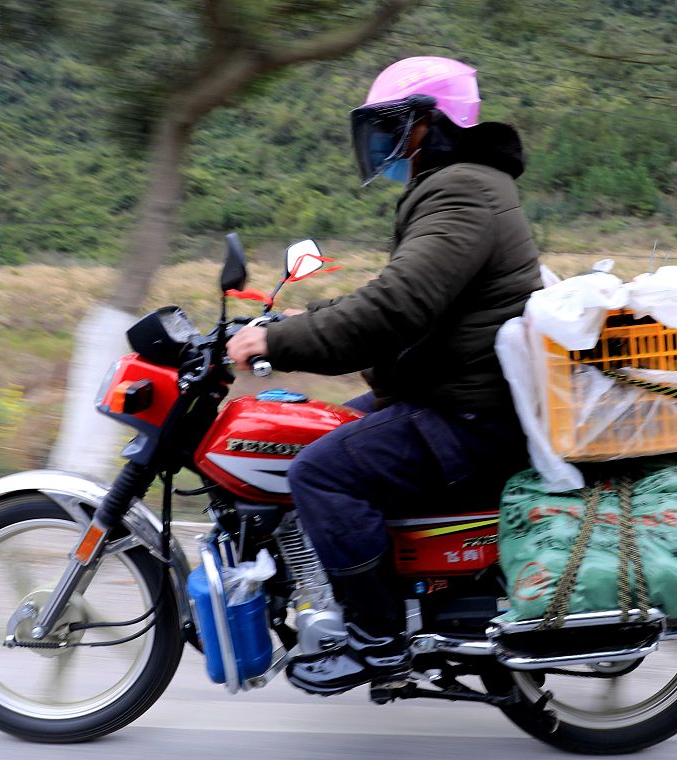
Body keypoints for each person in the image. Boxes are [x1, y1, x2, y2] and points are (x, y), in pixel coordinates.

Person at [226, 56, 541, 695]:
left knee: (319, 471)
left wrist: (277, 342)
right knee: (328, 428)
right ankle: (386, 596)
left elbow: (397, 308)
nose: (380, 143)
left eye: (389, 126)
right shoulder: (466, 185)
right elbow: (398, 293)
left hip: (469, 410)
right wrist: (304, 319)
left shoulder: (461, 192)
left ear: (429, 124)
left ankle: (378, 640)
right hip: (459, 391)